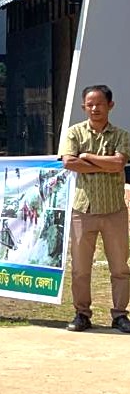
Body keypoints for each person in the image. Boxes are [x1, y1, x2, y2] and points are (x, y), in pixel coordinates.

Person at [58, 84, 130, 333]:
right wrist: (104, 163)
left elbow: (120, 162)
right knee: (80, 268)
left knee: (120, 267)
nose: (95, 108)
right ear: (83, 107)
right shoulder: (74, 133)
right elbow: (68, 162)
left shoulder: (121, 135)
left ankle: (120, 314)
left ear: (110, 105)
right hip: (83, 210)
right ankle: (81, 314)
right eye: (90, 104)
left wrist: (87, 156)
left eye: (99, 103)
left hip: (114, 210)